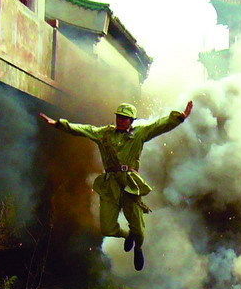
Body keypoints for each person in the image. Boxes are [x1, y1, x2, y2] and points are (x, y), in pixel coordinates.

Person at [38, 101, 193, 271]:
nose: (121, 120)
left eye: (125, 118)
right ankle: (127, 236)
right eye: (119, 117)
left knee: (139, 229)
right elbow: (83, 129)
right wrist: (59, 124)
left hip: (129, 184)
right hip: (110, 185)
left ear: (131, 121)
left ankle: (138, 247)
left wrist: (180, 117)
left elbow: (159, 126)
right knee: (108, 228)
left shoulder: (139, 133)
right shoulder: (104, 134)